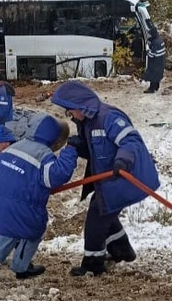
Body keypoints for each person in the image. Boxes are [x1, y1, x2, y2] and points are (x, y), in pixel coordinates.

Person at [50, 81, 160, 276]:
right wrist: (79, 147)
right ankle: (122, 250)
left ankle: (93, 264)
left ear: (80, 106)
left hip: (125, 177)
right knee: (103, 210)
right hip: (108, 180)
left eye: (70, 111)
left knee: (96, 221)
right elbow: (97, 148)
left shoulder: (108, 118)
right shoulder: (87, 123)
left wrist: (123, 160)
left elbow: (130, 141)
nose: (70, 115)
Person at [0, 114, 78, 279]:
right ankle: (21, 267)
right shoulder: (43, 154)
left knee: (13, 222)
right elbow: (56, 176)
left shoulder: (14, 147)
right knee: (32, 229)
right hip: (22, 212)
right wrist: (70, 151)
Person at [142, 26, 166, 94]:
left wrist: (147, 52)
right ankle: (156, 87)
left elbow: (152, 55)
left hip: (155, 62)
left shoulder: (155, 42)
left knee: (153, 75)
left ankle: (151, 89)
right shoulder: (160, 40)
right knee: (158, 75)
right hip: (160, 60)